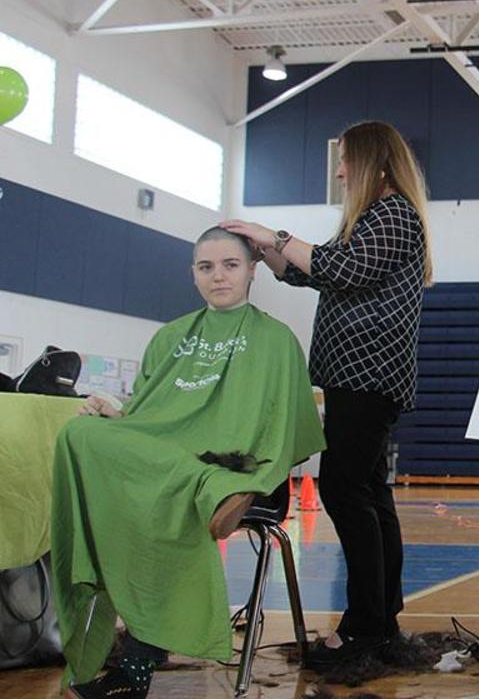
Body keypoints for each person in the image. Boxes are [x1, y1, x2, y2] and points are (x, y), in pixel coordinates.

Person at [53, 227, 324, 699]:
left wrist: (252, 469)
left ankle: (137, 666)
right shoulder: (169, 339)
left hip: (231, 466)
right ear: (193, 275)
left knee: (168, 498)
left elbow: (283, 428)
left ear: (253, 271)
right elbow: (149, 417)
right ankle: (205, 488)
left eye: (230, 265)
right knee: (80, 431)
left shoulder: (277, 340)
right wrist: (115, 416)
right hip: (167, 462)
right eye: (206, 267)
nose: (218, 276)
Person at [222, 119, 434, 668]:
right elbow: (315, 275)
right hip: (355, 379)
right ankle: (380, 617)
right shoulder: (372, 219)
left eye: (345, 161)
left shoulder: (394, 215)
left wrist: (277, 238)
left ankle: (365, 623)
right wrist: (267, 253)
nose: (339, 172)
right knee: (368, 493)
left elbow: (344, 266)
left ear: (374, 164)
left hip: (368, 378)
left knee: (343, 490)